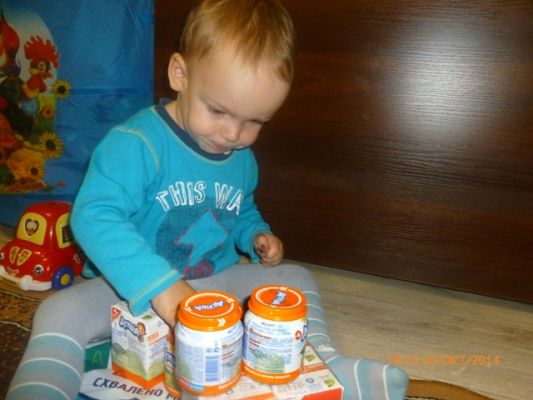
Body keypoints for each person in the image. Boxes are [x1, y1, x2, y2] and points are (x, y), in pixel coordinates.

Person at [7, 1, 409, 399]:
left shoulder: (241, 158)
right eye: (217, 110)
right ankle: (44, 385)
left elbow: (238, 207)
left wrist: (255, 234)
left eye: (255, 121)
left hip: (214, 284)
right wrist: (163, 289)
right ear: (180, 75)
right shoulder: (137, 144)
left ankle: (330, 366)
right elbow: (94, 216)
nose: (233, 134)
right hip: (126, 290)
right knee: (58, 311)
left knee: (297, 279)